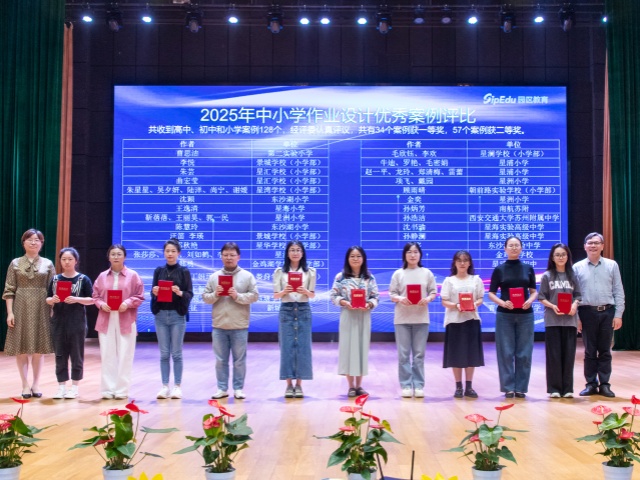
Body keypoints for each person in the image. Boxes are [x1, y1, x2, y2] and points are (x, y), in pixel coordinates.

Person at [3, 228, 55, 398]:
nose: (33, 242)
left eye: (37, 240)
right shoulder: (15, 263)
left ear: (42, 243)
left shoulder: (48, 263)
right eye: (30, 239)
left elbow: (53, 290)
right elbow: (9, 290)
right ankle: (25, 384)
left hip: (42, 307)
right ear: (23, 242)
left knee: (39, 348)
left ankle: (36, 384)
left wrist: (53, 309)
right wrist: (10, 313)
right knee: (21, 348)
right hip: (20, 306)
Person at [202, 242, 258, 400]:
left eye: (232, 255)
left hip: (239, 325)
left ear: (238, 257)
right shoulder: (214, 277)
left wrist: (237, 296)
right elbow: (205, 297)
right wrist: (215, 294)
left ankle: (238, 388)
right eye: (225, 255)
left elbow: (254, 296)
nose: (229, 258)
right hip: (219, 325)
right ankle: (222, 388)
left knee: (239, 360)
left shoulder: (247, 276)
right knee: (220, 360)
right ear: (221, 257)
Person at [573, 232, 625, 398]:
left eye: (596, 243)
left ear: (602, 246)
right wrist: (576, 318)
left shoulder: (612, 265)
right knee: (589, 351)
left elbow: (618, 290)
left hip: (607, 312)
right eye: (590, 243)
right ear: (585, 246)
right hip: (586, 312)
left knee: (605, 351)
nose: (593, 245)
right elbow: (574, 295)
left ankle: (604, 385)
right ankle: (590, 384)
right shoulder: (577, 267)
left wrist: (618, 314)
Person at [92, 244, 144, 400]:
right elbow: (95, 296)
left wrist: (127, 303)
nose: (116, 257)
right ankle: (107, 389)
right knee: (107, 355)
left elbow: (139, 296)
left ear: (124, 257)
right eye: (113, 254)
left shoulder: (133, 275)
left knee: (125, 355)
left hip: (126, 319)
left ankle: (121, 390)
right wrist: (101, 304)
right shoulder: (102, 276)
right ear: (108, 257)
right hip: (106, 319)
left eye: (119, 254)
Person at [488, 236, 538, 399]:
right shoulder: (499, 269)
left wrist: (530, 301)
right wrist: (503, 303)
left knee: (524, 353)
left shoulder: (528, 268)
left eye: (517, 245)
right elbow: (491, 293)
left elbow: (533, 291)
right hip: (505, 316)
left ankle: (521, 388)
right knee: (506, 352)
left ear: (521, 248)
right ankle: (508, 388)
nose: (514, 248)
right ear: (505, 249)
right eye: (511, 245)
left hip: (525, 315)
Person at [388, 242, 436, 398]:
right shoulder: (398, 274)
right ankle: (406, 385)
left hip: (421, 318)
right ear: (404, 255)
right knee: (403, 355)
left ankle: (419, 385)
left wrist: (428, 299)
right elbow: (391, 294)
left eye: (415, 252)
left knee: (419, 355)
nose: (413, 255)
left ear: (420, 254)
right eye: (409, 252)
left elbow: (433, 292)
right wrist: (400, 298)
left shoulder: (427, 273)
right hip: (402, 319)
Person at [330, 245, 379, 397]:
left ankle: (359, 385)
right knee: (348, 349)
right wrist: (344, 302)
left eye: (358, 256)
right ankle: (351, 386)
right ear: (347, 259)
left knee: (361, 349)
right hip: (348, 315)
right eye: (352, 256)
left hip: (364, 316)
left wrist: (369, 304)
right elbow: (333, 296)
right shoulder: (341, 277)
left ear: (363, 259)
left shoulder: (369, 277)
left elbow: (375, 297)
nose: (355, 259)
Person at [46, 247, 94, 399]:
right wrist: (52, 300)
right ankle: (61, 387)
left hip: (77, 322)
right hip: (58, 321)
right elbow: (47, 298)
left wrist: (76, 299)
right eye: (64, 259)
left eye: (70, 259)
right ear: (60, 261)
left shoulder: (83, 279)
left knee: (76, 354)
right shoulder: (55, 279)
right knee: (60, 354)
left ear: (76, 261)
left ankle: (74, 387)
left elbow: (91, 299)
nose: (67, 262)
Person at [151, 238, 193, 400]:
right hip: (161, 315)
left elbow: (189, 294)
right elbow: (152, 294)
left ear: (179, 253)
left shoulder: (184, 271)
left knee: (176, 353)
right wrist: (154, 292)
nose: (170, 254)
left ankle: (177, 386)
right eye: (167, 251)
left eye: (173, 251)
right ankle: (164, 386)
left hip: (177, 316)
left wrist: (179, 292)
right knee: (163, 354)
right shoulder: (158, 271)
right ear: (163, 253)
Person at [273, 241, 316, 399]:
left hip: (303, 309)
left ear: (302, 253)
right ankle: (288, 385)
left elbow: (312, 295)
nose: (295, 253)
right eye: (292, 250)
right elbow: (276, 295)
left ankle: (299, 385)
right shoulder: (280, 272)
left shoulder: (310, 272)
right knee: (287, 347)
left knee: (303, 348)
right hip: (287, 309)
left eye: (298, 250)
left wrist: (305, 291)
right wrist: (284, 291)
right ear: (287, 253)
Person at [538, 243, 582, 399]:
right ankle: (554, 389)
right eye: (557, 255)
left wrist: (574, 305)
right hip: (552, 320)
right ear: (552, 257)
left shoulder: (573, 275)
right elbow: (541, 297)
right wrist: (552, 306)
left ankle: (568, 388)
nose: (560, 257)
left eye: (563, 254)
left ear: (568, 256)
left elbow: (578, 295)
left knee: (569, 356)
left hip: (570, 321)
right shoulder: (547, 276)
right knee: (554, 356)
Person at [440, 250, 485, 399]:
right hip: (454, 321)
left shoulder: (476, 280)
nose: (462, 263)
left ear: (470, 263)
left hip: (472, 320)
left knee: (471, 354)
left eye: (465, 260)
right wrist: (456, 305)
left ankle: (469, 387)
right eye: (459, 260)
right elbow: (444, 301)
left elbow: (480, 298)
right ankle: (458, 386)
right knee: (456, 355)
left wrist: (474, 304)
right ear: (454, 263)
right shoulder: (449, 281)